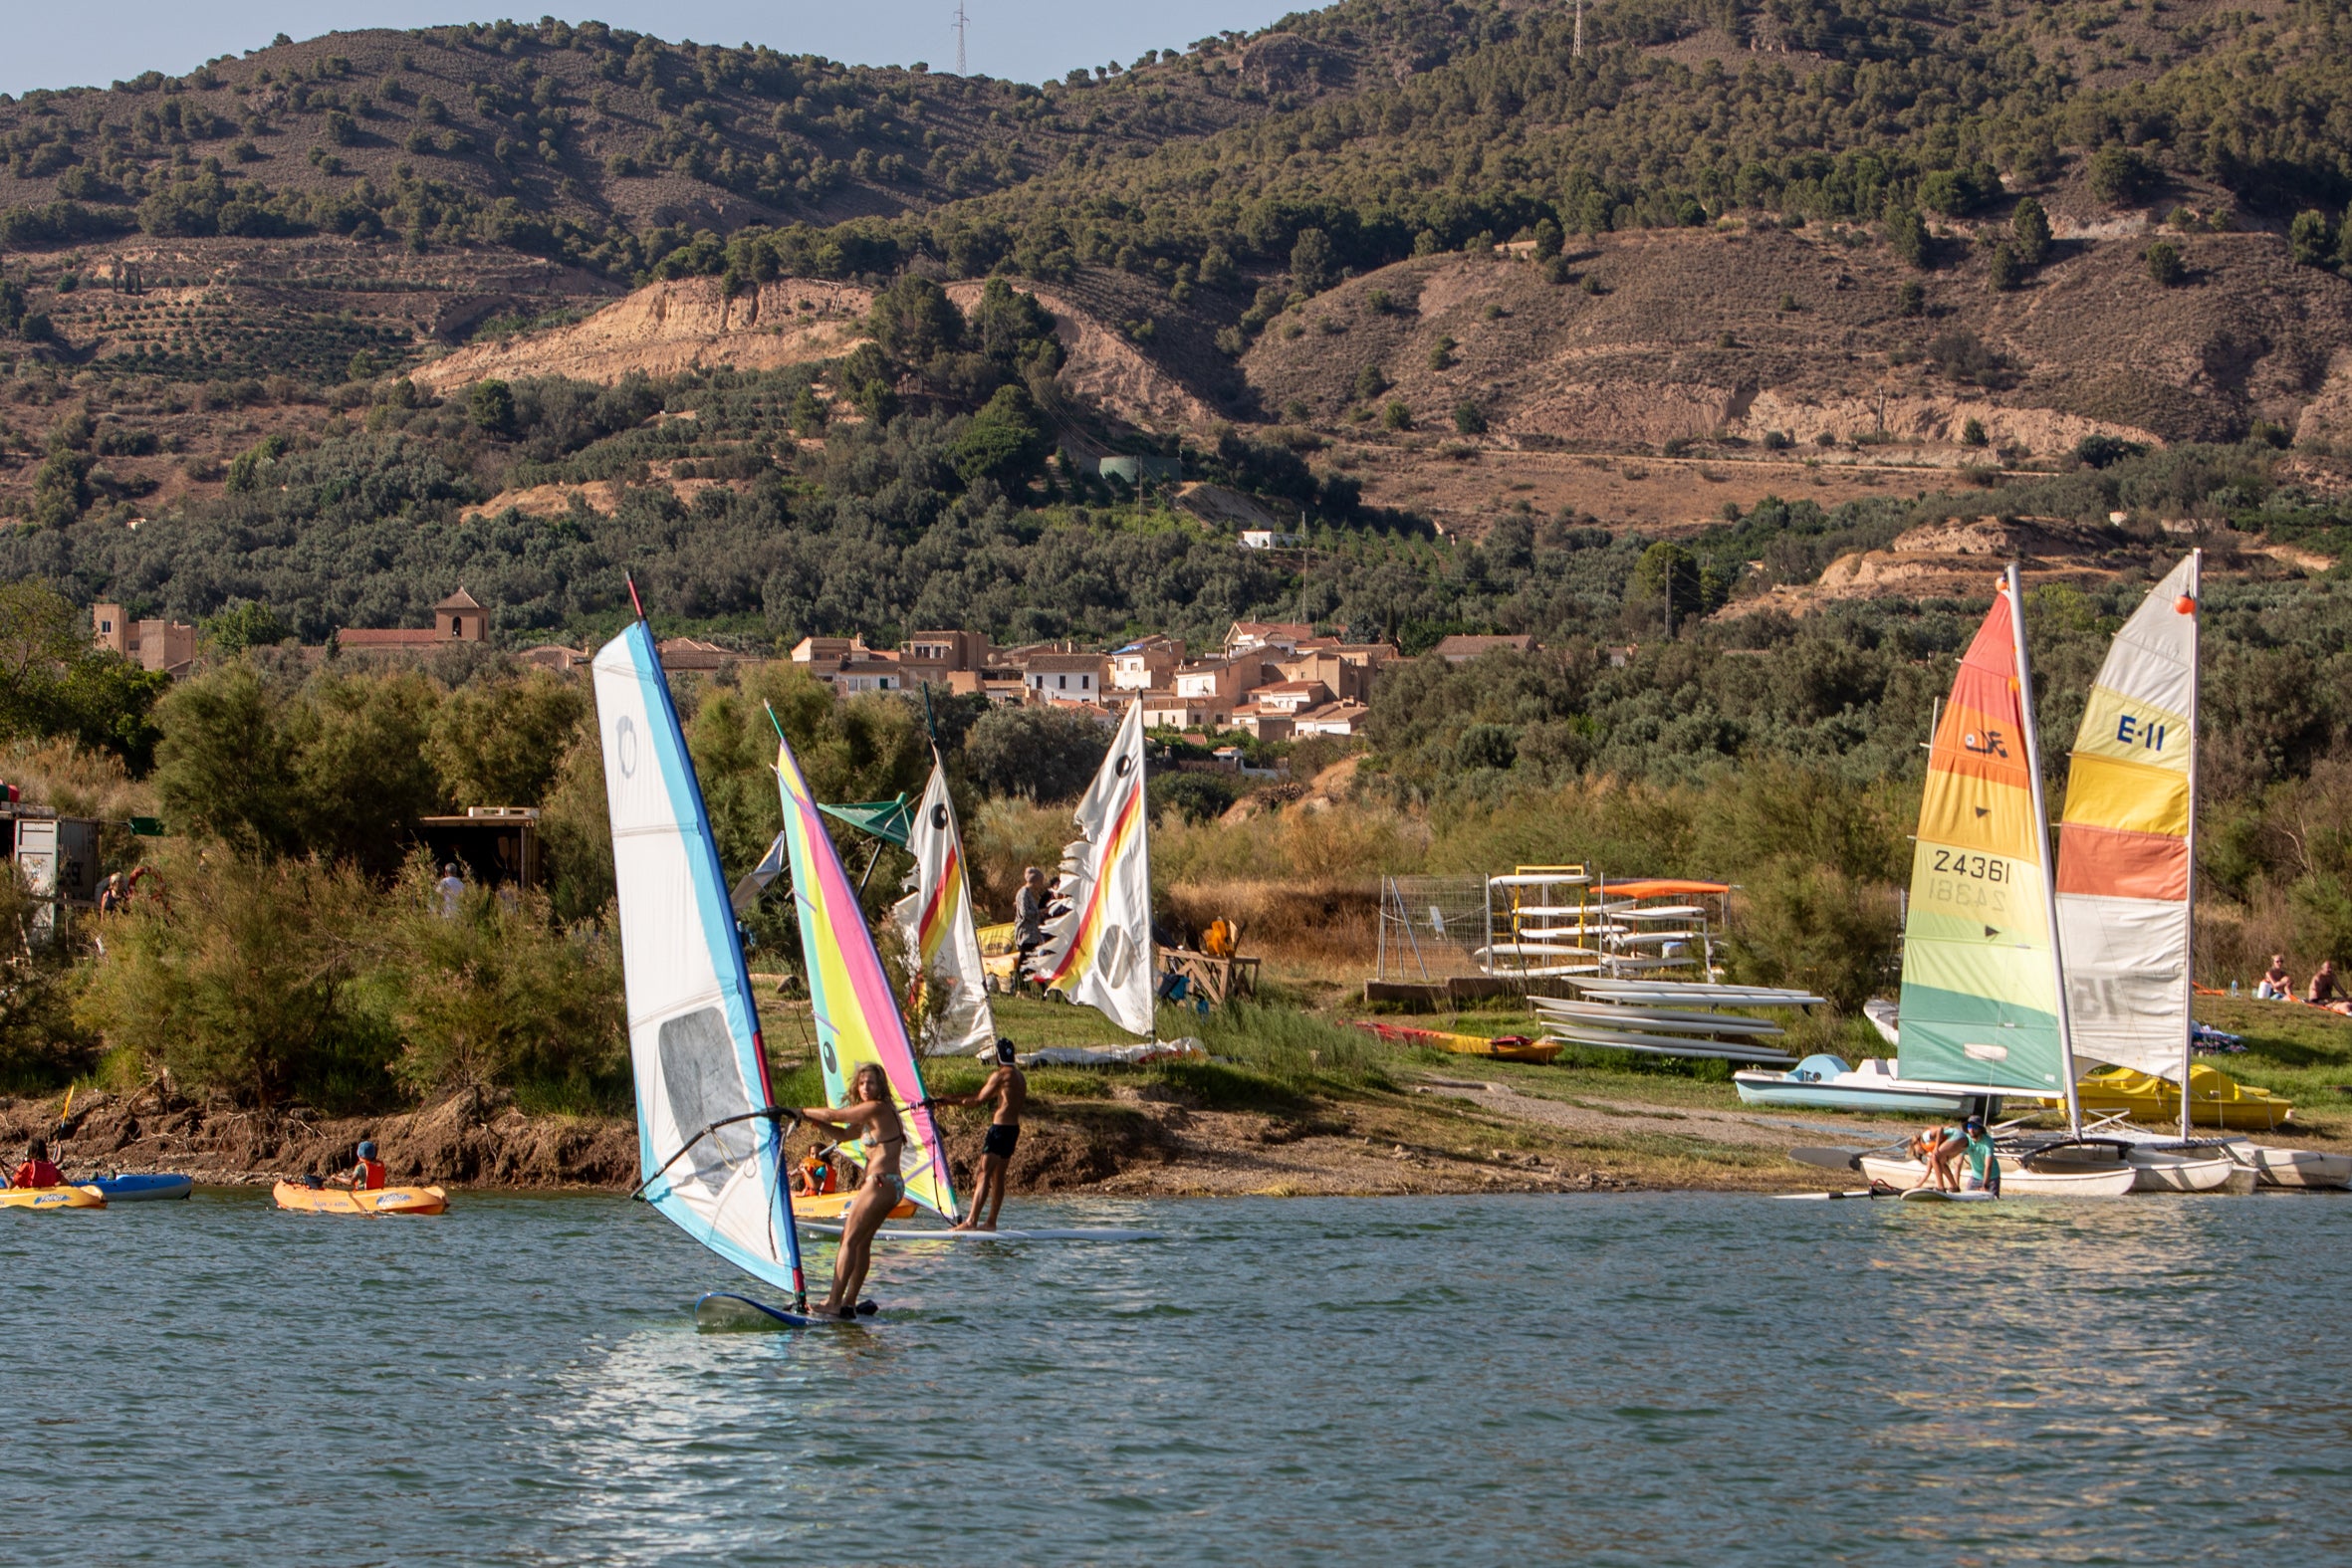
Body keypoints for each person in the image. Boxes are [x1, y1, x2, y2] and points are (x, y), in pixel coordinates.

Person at [793, 1063, 904, 1318]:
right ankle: (849, 1302)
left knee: (848, 1240)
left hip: (880, 1183)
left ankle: (834, 1302)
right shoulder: (871, 1116)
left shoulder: (877, 1108)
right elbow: (842, 1135)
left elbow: (835, 1116)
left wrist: (801, 1110)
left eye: (872, 1083)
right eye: (862, 1083)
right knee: (862, 1243)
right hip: (890, 1185)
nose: (866, 1088)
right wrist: (813, 1121)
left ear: (881, 1086)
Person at [936, 1037, 1028, 1232]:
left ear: (997, 1056)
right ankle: (991, 1222)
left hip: (999, 1129)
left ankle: (971, 1221)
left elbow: (977, 1099)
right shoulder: (1019, 1077)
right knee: (998, 1176)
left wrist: (948, 1102)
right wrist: (949, 1099)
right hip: (1013, 1130)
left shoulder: (1001, 1075)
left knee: (983, 1174)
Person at [1013, 865, 1049, 993]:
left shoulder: (1029, 894)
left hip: (1032, 934)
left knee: (1030, 962)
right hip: (1026, 934)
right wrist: (1039, 913)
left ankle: (1025, 987)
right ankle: (1016, 986)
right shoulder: (1023, 893)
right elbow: (1024, 913)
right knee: (1025, 962)